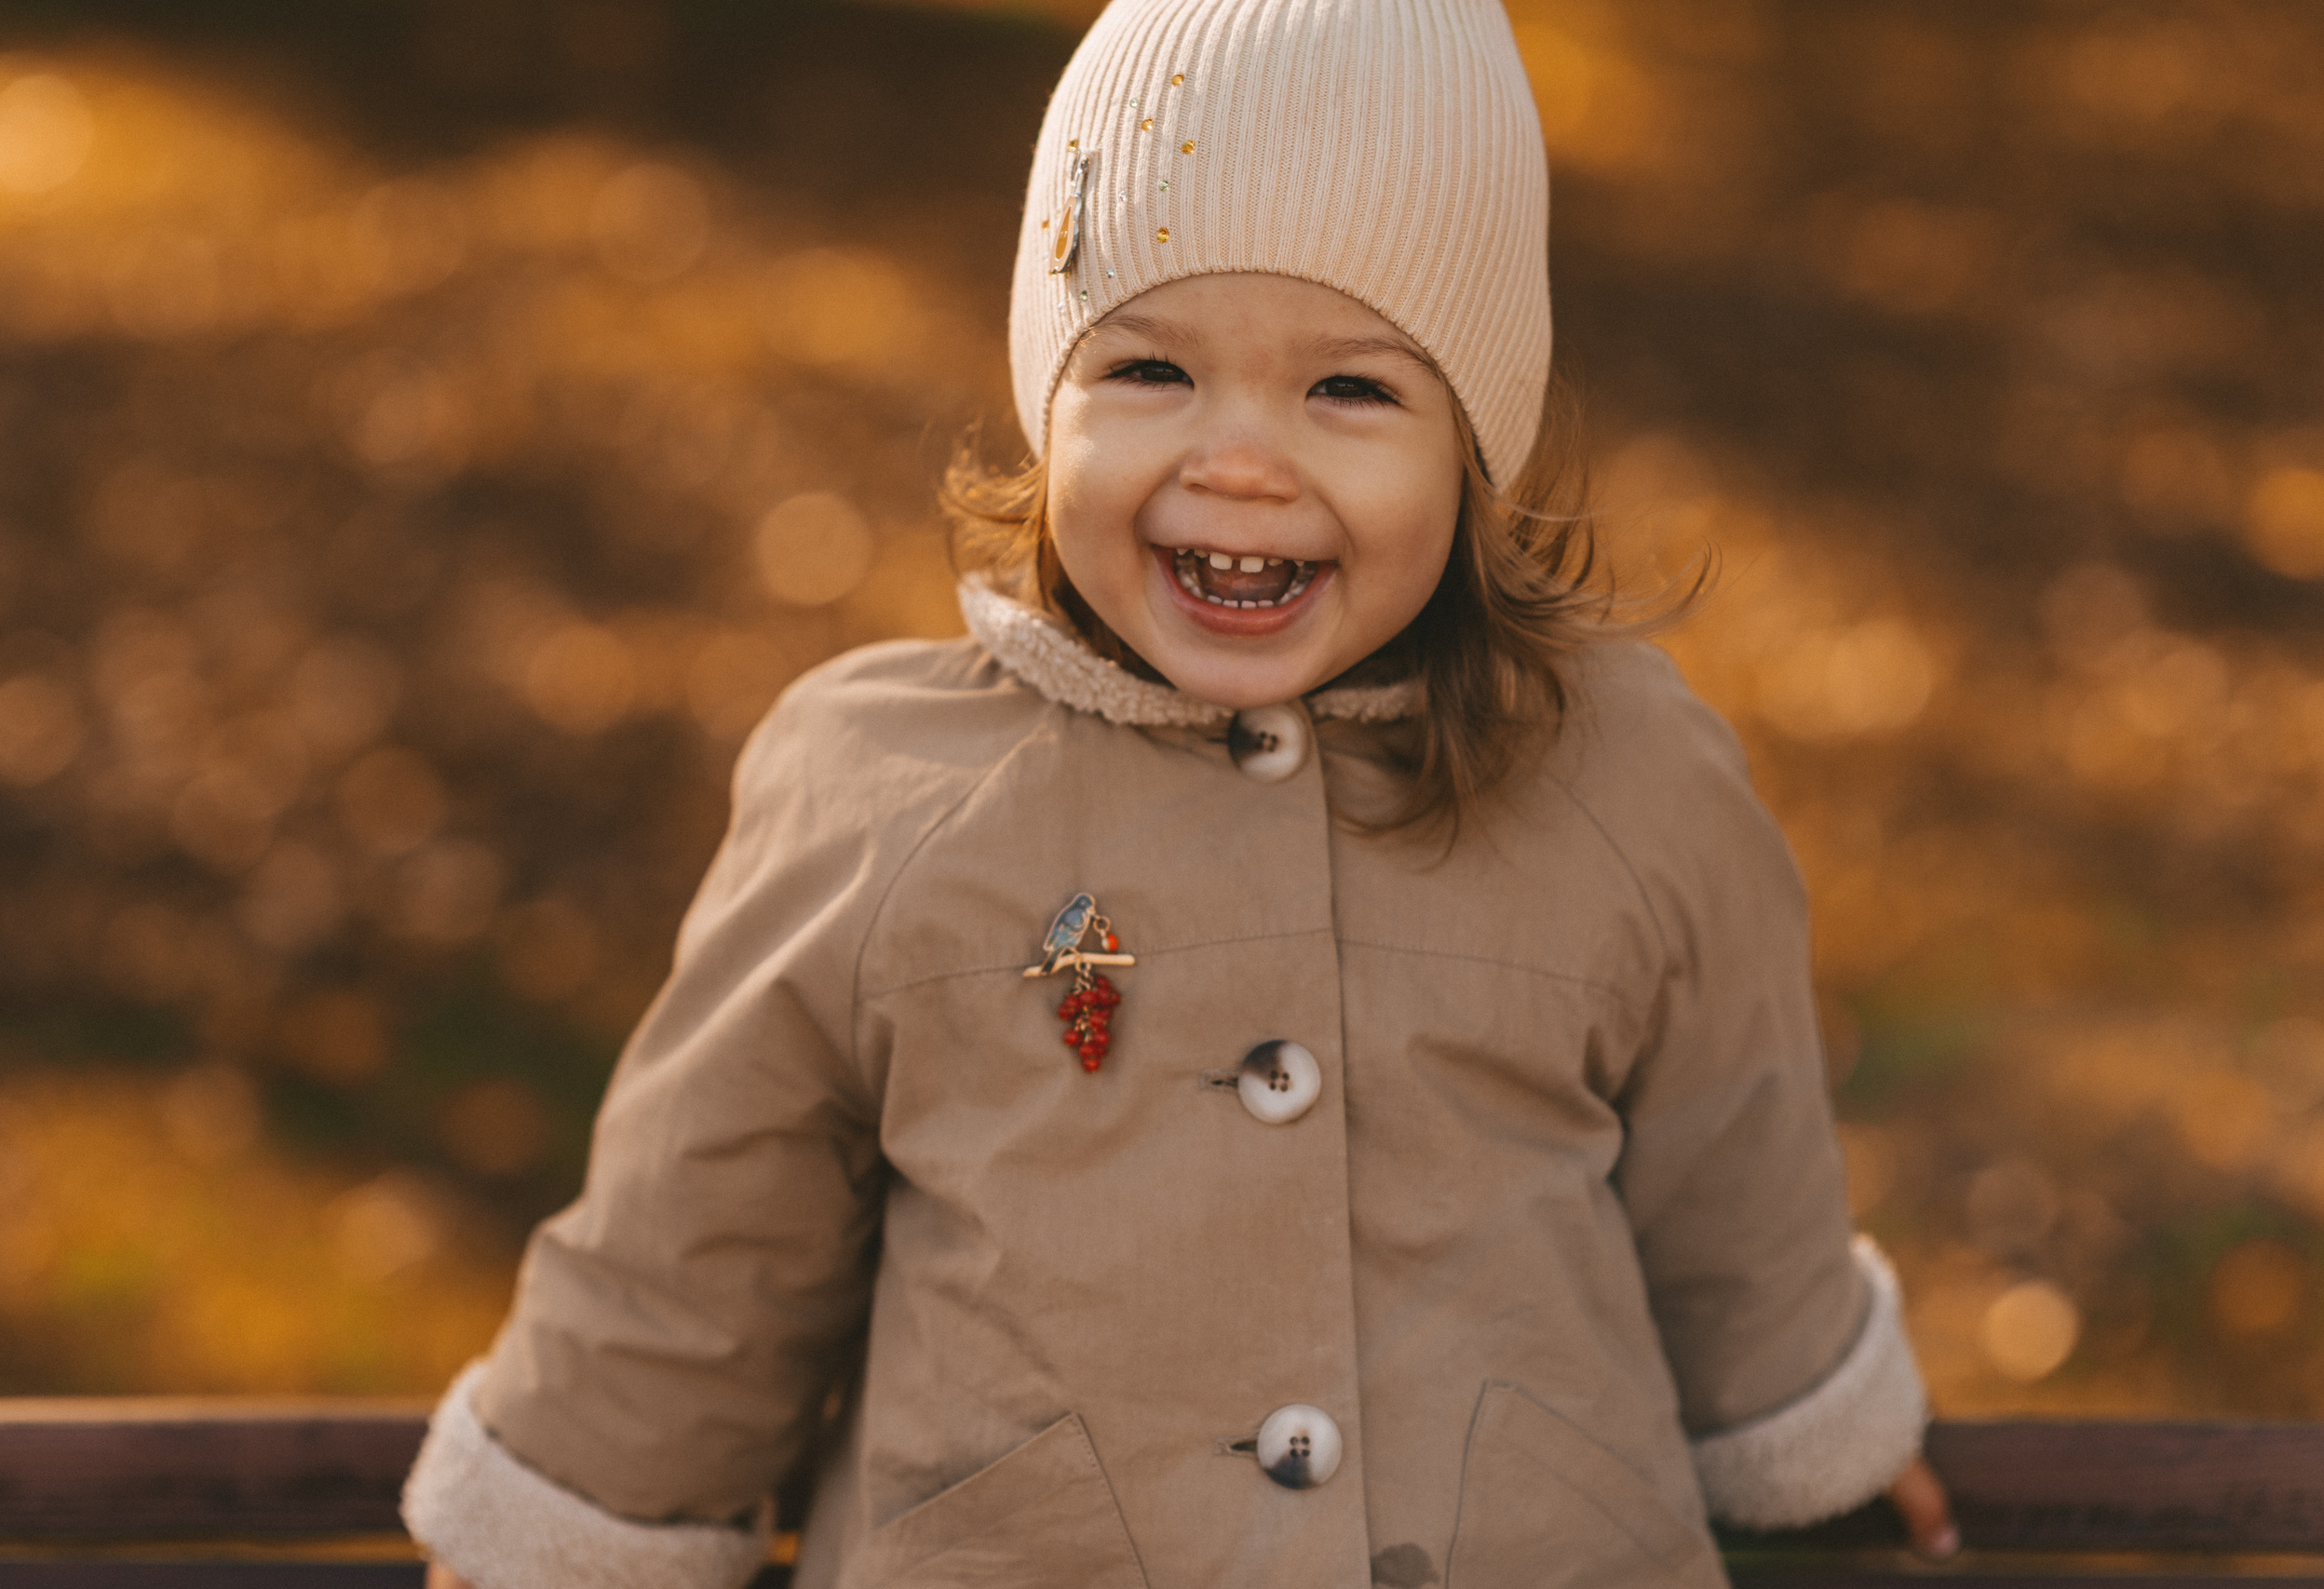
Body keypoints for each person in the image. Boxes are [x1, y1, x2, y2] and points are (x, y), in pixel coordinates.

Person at [403, 0, 1960, 1582]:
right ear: (1046, 397)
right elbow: (702, 1247)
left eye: (1350, 392)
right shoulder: (883, 793)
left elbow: (1737, 1164)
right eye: (1149, 368)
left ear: (1473, 447)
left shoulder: (1621, 777)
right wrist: (568, 1523)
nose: (1239, 462)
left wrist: (1811, 1452)